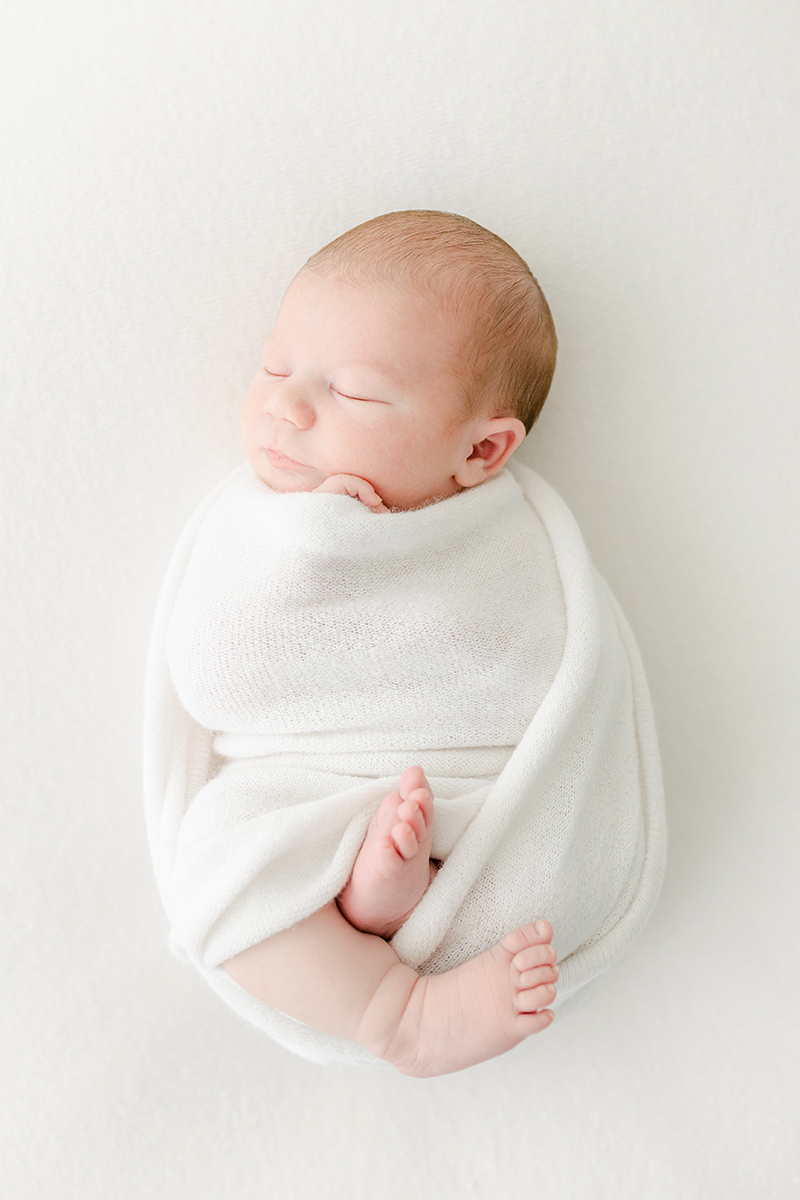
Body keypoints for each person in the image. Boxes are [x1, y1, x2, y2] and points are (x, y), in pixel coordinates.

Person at [214, 211, 561, 1077]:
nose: (286, 404)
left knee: (454, 839)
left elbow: (529, 662)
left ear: (481, 449)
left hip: (460, 789)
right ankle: (393, 1006)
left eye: (355, 393)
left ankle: (394, 894)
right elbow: (220, 665)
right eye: (276, 367)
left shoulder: (503, 538)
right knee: (222, 877)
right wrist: (315, 551)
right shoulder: (256, 525)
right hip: (299, 784)